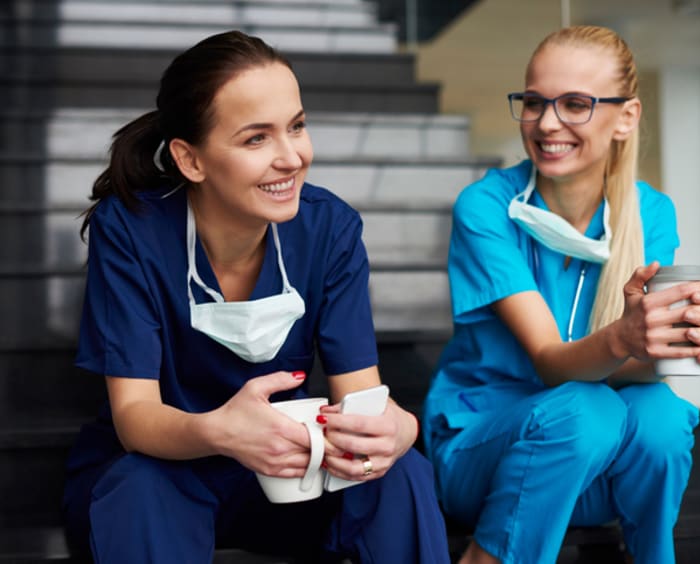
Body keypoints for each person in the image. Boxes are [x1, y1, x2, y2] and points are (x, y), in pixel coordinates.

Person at [62, 30, 450, 564]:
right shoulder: (131, 231)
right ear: (190, 160)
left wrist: (399, 428)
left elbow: (361, 397)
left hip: (284, 476)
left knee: (400, 472)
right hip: (167, 472)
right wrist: (219, 432)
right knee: (140, 486)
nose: (291, 157)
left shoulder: (328, 229)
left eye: (297, 127)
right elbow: (135, 418)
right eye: (256, 139)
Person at [421, 25, 700, 564]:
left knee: (660, 415)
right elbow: (549, 363)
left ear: (626, 117)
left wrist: (679, 344)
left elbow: (630, 370)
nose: (546, 123)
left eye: (574, 104)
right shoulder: (487, 207)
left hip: (592, 464)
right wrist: (628, 337)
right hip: (487, 456)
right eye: (535, 102)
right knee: (585, 410)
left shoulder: (651, 212)